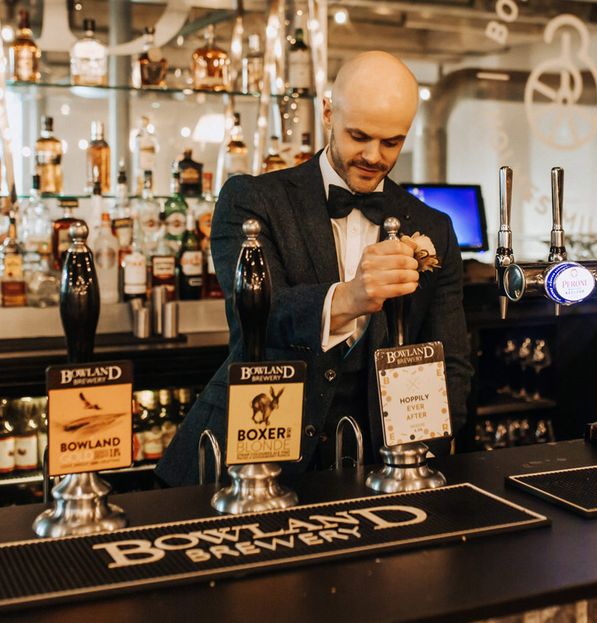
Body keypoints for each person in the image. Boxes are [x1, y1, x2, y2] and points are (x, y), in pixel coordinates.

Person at [156, 51, 472, 486]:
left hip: (378, 468)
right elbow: (259, 314)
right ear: (327, 113)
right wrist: (352, 296)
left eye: (391, 142)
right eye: (358, 135)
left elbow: (449, 360)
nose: (374, 156)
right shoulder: (252, 201)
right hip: (248, 463)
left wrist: (425, 457)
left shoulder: (434, 226)